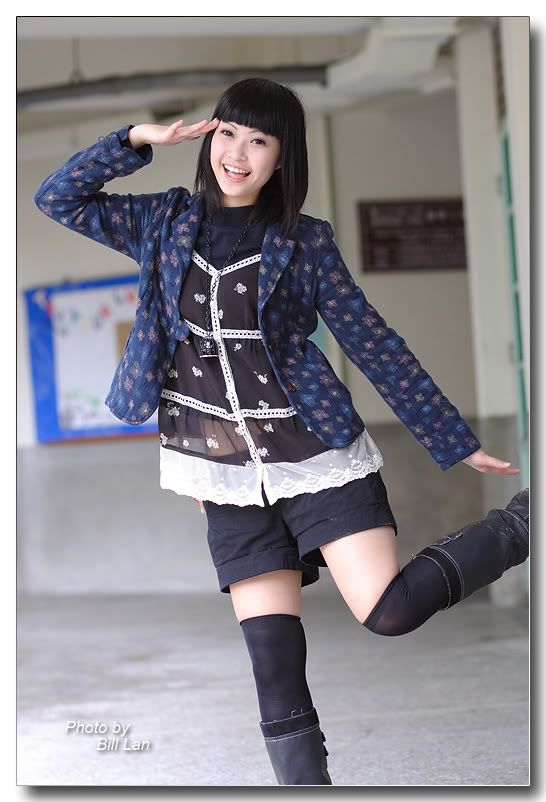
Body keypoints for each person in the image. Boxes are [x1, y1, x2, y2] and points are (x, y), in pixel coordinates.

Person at [34, 77, 529, 787]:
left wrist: (455, 439)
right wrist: (137, 140)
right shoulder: (162, 220)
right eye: (228, 134)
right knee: (273, 664)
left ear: (282, 155)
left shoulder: (304, 241)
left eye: (258, 141)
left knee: (388, 611)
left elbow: (372, 342)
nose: (237, 154)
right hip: (220, 471)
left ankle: (522, 525)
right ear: (209, 138)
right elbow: (57, 198)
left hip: (313, 453)